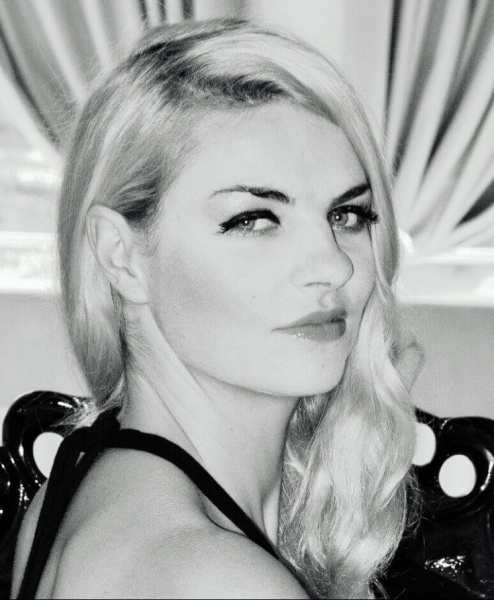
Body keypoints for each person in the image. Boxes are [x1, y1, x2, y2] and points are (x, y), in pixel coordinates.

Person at [12, 18, 419, 599]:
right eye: (254, 220)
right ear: (122, 256)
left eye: (346, 215)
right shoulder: (217, 576)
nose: (333, 265)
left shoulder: (86, 481)